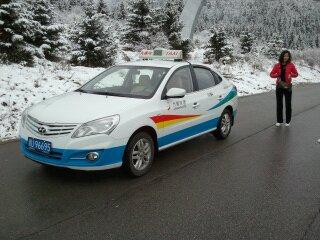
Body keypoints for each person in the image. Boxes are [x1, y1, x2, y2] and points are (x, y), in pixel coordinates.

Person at [270, 50, 298, 127]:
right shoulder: (277, 65)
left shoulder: (291, 65)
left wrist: (290, 74)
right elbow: (271, 74)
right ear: (282, 56)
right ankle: (279, 121)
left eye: (287, 56)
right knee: (279, 104)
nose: (286, 57)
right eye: (285, 55)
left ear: (289, 57)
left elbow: (296, 74)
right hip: (279, 86)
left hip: (288, 86)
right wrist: (277, 75)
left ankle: (288, 121)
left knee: (288, 104)